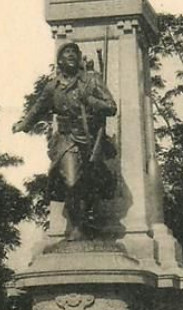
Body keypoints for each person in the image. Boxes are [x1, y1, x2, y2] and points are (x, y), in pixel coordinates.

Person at [13, 42, 117, 238]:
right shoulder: (53, 86)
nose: (70, 55)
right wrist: (23, 125)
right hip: (66, 138)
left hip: (89, 138)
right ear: (59, 60)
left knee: (90, 181)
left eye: (74, 53)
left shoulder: (91, 81)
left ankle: (87, 220)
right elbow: (38, 108)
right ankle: (76, 225)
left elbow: (111, 107)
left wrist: (91, 101)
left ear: (78, 59)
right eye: (66, 52)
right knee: (71, 180)